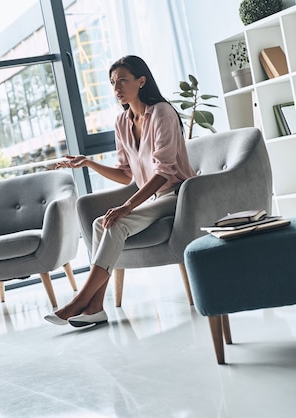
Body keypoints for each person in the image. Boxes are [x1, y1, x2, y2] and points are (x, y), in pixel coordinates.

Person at [45, 55, 197, 327]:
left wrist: (127, 206)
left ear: (141, 81)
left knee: (117, 223)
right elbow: (126, 173)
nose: (117, 88)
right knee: (100, 223)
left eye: (123, 80)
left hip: (179, 195)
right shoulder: (122, 122)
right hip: (153, 197)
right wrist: (89, 162)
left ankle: (80, 300)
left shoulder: (162, 112)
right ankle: (95, 307)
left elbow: (163, 173)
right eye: (113, 82)